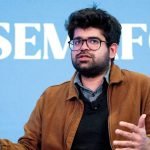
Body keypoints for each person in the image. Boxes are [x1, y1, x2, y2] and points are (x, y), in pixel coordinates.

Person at [0, 6, 150, 150]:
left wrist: (147, 146)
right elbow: (28, 147)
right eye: (77, 41)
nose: (83, 47)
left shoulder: (143, 87)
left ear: (112, 50)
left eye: (93, 41)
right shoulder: (50, 98)